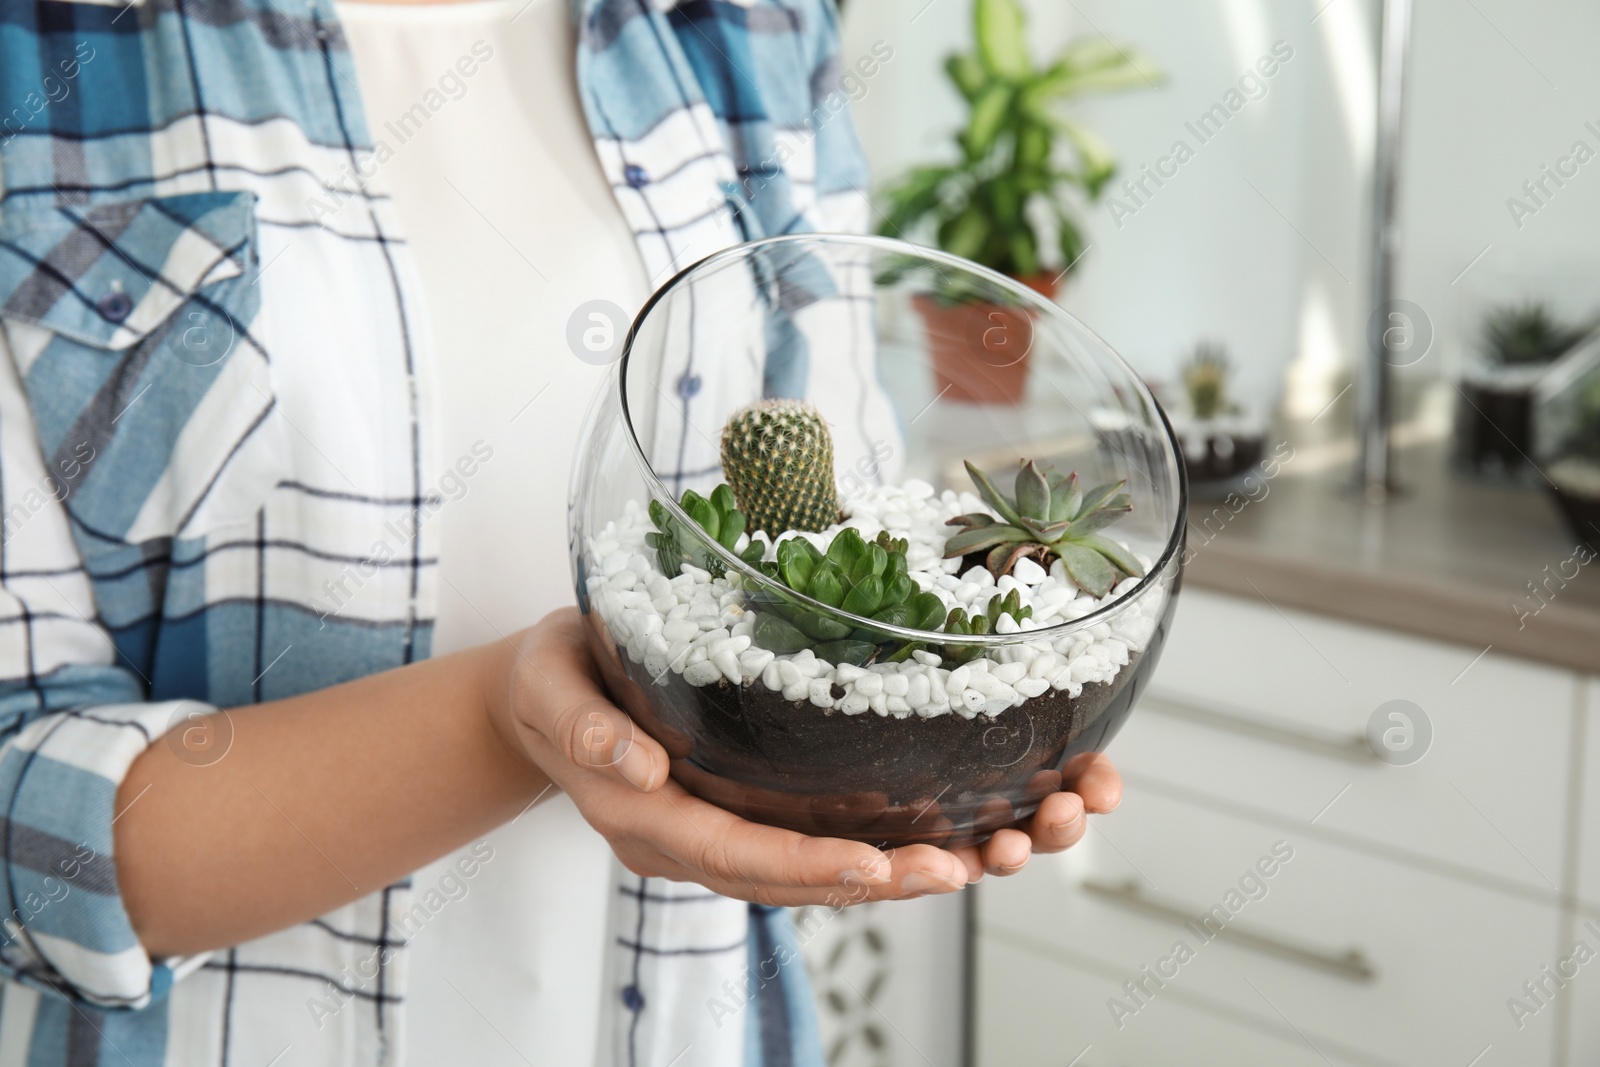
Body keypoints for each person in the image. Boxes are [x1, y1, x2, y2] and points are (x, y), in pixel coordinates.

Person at [0, 0, 1122, 1064]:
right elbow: (20, 827)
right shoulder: (43, 50)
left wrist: (941, 704)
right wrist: (513, 720)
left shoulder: (751, 27)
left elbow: (842, 537)